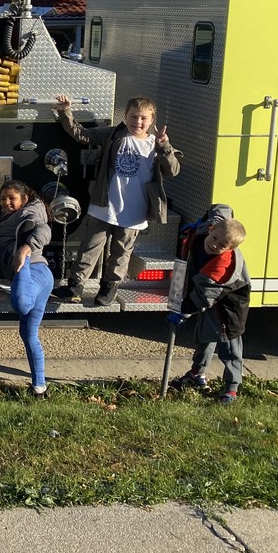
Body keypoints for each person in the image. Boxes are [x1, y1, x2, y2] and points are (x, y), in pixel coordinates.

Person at [52, 94, 181, 306]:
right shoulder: (113, 134)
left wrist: (165, 147)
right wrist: (65, 112)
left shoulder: (155, 145)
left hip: (135, 211)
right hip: (104, 205)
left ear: (152, 121)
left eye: (143, 118)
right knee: (89, 247)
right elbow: (82, 135)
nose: (137, 122)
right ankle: (75, 285)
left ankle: (108, 288)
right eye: (133, 117)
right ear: (126, 116)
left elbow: (173, 170)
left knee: (121, 253)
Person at [0, 179, 52, 397]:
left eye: (12, 199)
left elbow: (44, 230)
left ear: (24, 199)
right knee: (28, 333)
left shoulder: (29, 215)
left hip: (35, 272)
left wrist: (25, 249)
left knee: (22, 305)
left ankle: (21, 252)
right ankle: (40, 386)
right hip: (36, 278)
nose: (6, 202)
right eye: (3, 198)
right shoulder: (8, 215)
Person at [172, 209, 250, 404]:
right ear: (212, 228)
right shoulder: (208, 228)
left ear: (230, 249)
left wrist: (184, 311)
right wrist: (202, 219)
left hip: (227, 309)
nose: (214, 244)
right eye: (214, 237)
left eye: (222, 245)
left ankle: (232, 387)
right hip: (211, 304)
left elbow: (204, 295)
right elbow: (220, 209)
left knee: (229, 347)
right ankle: (197, 374)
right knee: (204, 337)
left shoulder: (223, 266)